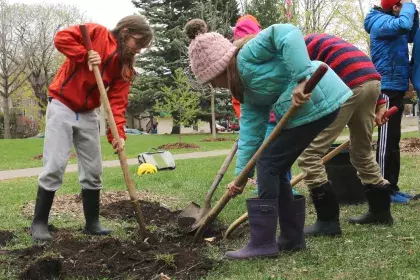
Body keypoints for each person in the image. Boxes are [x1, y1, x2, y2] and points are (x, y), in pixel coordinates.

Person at [184, 19, 352, 259]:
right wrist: (242, 175)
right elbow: (251, 133)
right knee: (274, 165)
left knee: (269, 164)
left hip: (320, 95)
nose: (214, 86)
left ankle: (262, 243)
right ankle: (291, 239)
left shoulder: (247, 55)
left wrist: (302, 77)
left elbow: (286, 32)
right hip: (311, 112)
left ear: (219, 68)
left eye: (211, 80)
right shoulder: (246, 92)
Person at [31, 15, 153, 241]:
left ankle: (92, 223)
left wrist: (117, 133)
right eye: (139, 43)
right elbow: (61, 38)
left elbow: (117, 102)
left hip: (88, 113)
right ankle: (39, 223)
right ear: (126, 33)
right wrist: (84, 54)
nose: (139, 51)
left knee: (94, 169)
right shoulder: (96, 33)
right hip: (62, 105)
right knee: (55, 163)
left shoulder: (124, 67)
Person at [299, 33, 394, 237]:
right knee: (362, 152)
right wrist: (379, 104)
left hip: (349, 84)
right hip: (372, 84)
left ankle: (327, 221)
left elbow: (303, 82)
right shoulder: (324, 41)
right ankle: (380, 211)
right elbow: (363, 72)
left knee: (310, 155)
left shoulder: (295, 47)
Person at [365, 0, 419, 203]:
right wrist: (409, 8)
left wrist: (414, 14)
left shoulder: (395, 22)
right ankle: (383, 189)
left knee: (393, 140)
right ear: (395, 6)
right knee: (386, 142)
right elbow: (404, 26)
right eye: (403, 5)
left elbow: (412, 33)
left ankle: (393, 187)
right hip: (385, 87)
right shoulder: (380, 21)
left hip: (397, 85)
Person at [232, 15, 293, 191]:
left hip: (272, 113)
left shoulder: (248, 57)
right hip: (267, 114)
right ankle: (278, 188)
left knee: (269, 157)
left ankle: (274, 189)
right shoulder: (257, 54)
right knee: (275, 156)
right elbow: (241, 101)